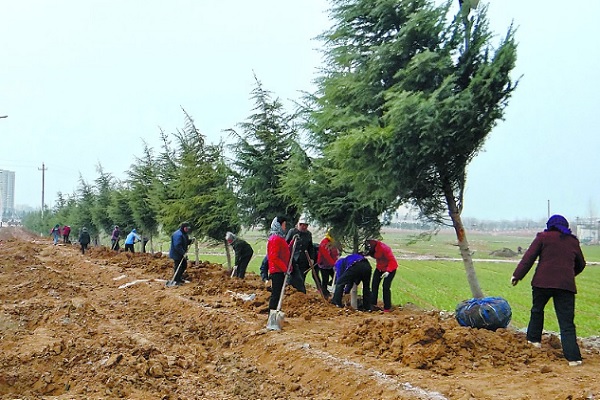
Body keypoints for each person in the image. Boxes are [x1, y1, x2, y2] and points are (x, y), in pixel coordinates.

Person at [511, 214, 586, 366]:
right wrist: (569, 274)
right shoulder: (572, 241)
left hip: (542, 283)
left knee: (537, 310)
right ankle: (574, 358)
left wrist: (517, 276)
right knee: (566, 322)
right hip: (565, 286)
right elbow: (581, 264)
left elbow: (528, 258)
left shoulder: (543, 237)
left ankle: (533, 341)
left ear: (549, 225)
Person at [365, 239, 398, 312]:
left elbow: (392, 260)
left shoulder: (384, 248)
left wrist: (388, 271)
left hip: (390, 268)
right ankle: (373, 304)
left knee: (385, 287)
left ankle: (387, 307)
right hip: (379, 268)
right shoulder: (371, 247)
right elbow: (371, 254)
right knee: (374, 285)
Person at [267, 216, 292, 311]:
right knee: (276, 294)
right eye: (284, 225)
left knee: (278, 293)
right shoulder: (275, 239)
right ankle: (272, 314)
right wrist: (284, 269)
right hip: (277, 270)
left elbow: (284, 252)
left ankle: (275, 311)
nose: (285, 227)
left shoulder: (280, 238)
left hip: (280, 270)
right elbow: (274, 257)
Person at [285, 216, 314, 290]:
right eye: (302, 225)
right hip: (292, 259)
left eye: (305, 225)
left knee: (301, 277)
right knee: (290, 278)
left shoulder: (308, 234)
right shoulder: (292, 232)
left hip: (303, 260)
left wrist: (312, 258)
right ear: (299, 224)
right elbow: (286, 244)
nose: (304, 227)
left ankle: (300, 292)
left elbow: (310, 247)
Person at [317, 230, 340, 299]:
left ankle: (329, 288)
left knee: (335, 277)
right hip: (323, 264)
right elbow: (326, 256)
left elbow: (335, 253)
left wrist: (336, 261)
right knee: (325, 279)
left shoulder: (333, 242)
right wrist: (334, 264)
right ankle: (324, 294)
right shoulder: (324, 243)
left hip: (330, 265)